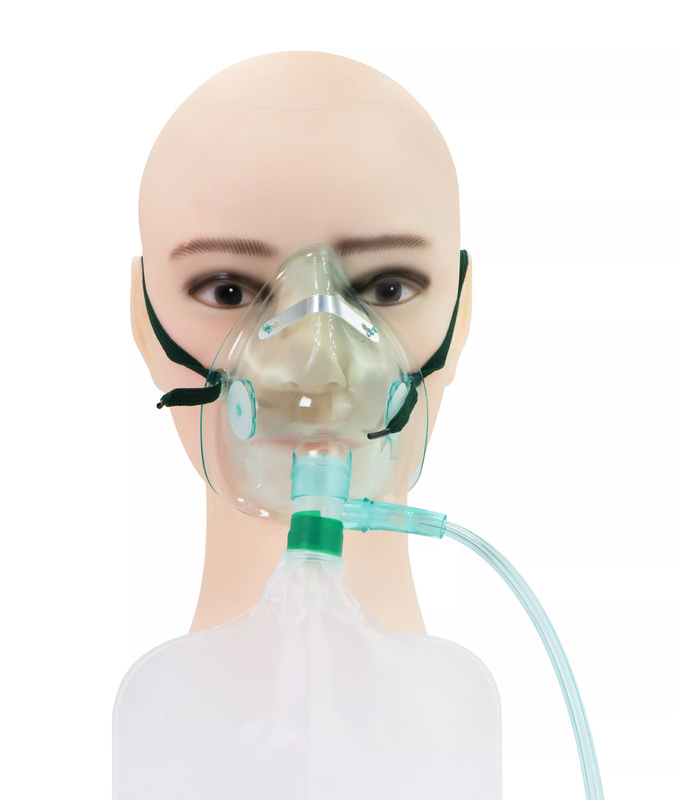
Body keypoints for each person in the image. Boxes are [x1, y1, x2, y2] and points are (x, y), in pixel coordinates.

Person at [130, 51, 474, 636]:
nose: (318, 365)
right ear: (143, 321)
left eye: (387, 288)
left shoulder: (460, 698)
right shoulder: (159, 701)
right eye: (230, 292)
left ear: (461, 315)